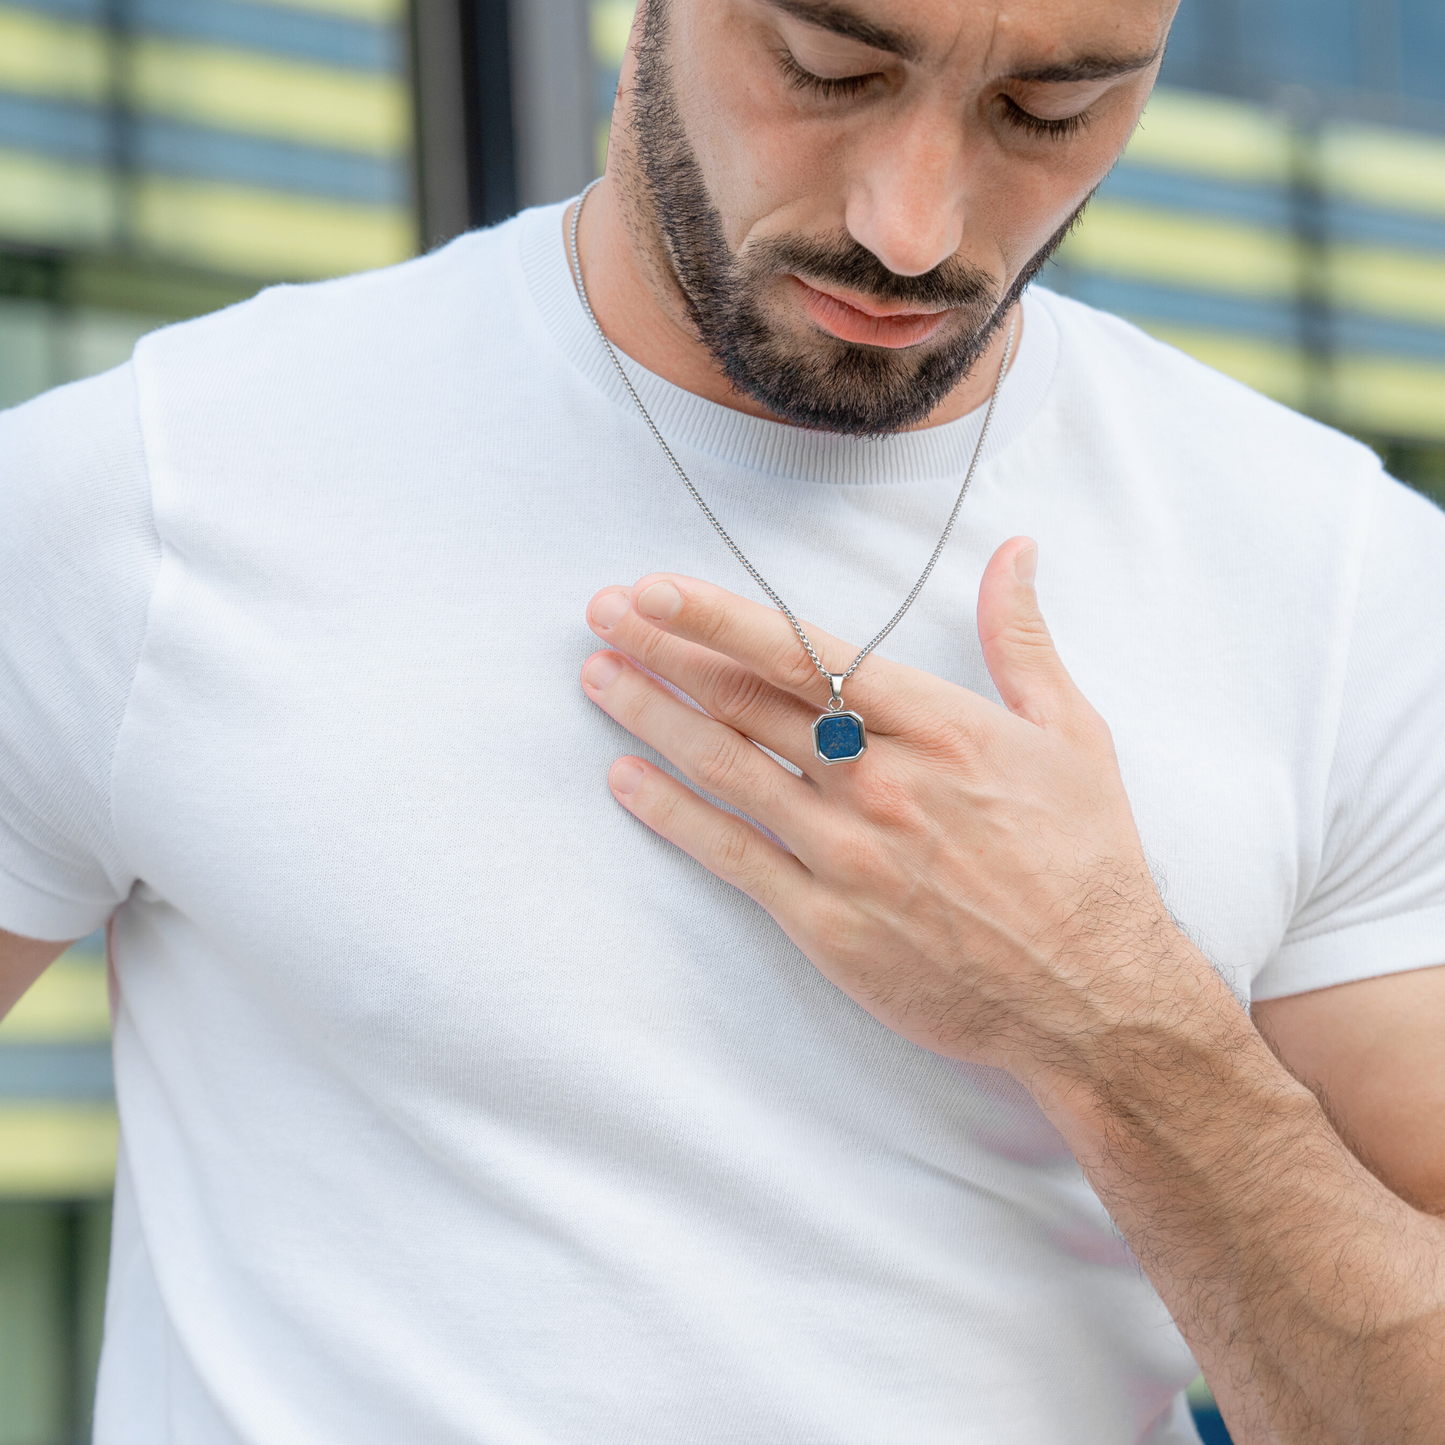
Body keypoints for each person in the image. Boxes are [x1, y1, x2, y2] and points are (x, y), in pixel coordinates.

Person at [2, 0, 1443, 1439]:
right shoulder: (155, 486)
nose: (912, 230)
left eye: (1052, 111)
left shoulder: (1342, 585)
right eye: (829, 71)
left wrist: (1110, 1013)